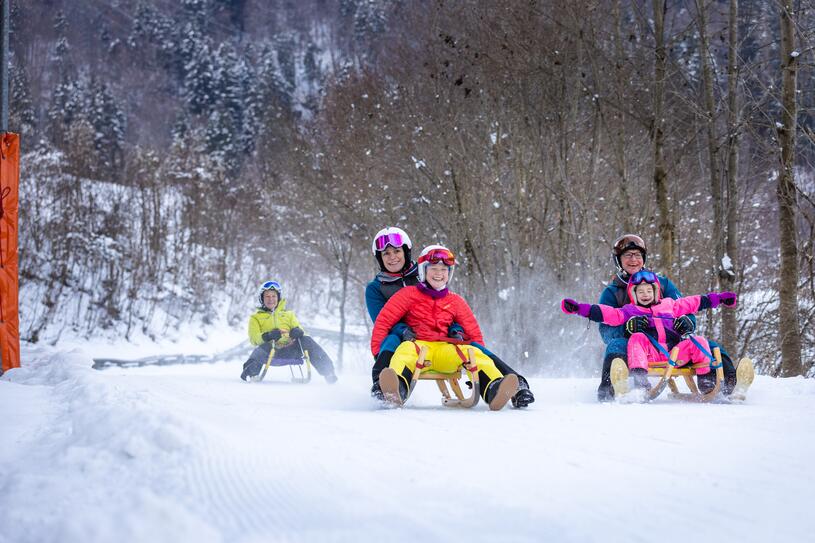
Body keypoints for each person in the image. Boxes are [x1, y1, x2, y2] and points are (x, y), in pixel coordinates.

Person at [365, 227, 534, 408]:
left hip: (442, 341)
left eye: (397, 251)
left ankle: (503, 385)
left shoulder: (427, 272)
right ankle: (386, 386)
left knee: (473, 349)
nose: (392, 257)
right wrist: (402, 332)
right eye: (386, 254)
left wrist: (456, 330)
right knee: (395, 343)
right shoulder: (377, 288)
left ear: (406, 251)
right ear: (379, 258)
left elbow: (450, 312)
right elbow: (383, 321)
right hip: (406, 340)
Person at [596, 234, 738, 401]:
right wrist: (626, 328)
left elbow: (684, 308)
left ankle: (728, 384)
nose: (633, 259)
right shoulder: (612, 293)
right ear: (619, 260)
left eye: (638, 255)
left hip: (669, 341)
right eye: (628, 255)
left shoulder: (662, 284)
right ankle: (609, 389)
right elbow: (605, 330)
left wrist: (687, 323)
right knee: (615, 345)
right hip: (638, 345)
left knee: (708, 345)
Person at [563, 270, 738, 394]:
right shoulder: (629, 311)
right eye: (640, 291)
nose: (645, 294)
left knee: (698, 340)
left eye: (649, 290)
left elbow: (695, 302)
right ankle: (640, 378)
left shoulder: (671, 305)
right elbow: (605, 313)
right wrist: (579, 308)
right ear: (634, 294)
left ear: (656, 292)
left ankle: (706, 379)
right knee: (637, 338)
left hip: (675, 354)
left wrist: (720, 298)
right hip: (649, 355)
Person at [240, 280, 338, 383]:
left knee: (307, 340)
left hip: (290, 350)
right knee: (261, 348)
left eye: (273, 296)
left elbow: (302, 332)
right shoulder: (256, 318)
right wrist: (268, 336)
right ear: (262, 299)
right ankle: (250, 373)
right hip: (271, 351)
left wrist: (297, 332)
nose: (271, 299)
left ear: (278, 298)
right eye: (267, 296)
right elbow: (254, 339)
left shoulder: (288, 315)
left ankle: (329, 372)